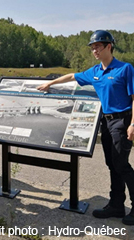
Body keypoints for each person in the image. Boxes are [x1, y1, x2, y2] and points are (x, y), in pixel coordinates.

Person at [37, 30, 134, 225]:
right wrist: (50, 83)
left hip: (123, 121)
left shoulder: (125, 69)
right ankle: (116, 205)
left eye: (98, 46)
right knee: (112, 164)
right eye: (92, 47)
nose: (94, 50)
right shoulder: (95, 72)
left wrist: (133, 124)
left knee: (122, 165)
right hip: (106, 123)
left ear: (109, 46)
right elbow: (73, 75)